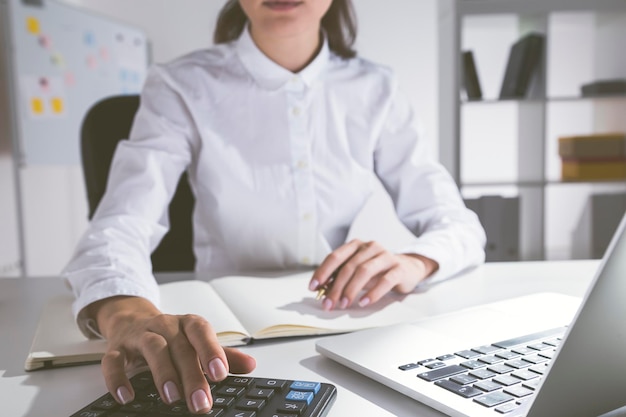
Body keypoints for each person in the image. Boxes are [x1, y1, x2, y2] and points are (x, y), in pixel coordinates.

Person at [63, 0, 486, 414]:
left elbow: (459, 225)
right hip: (220, 343)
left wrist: (415, 261)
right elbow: (119, 223)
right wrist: (124, 314)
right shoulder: (180, 84)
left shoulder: (377, 88)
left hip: (337, 332)